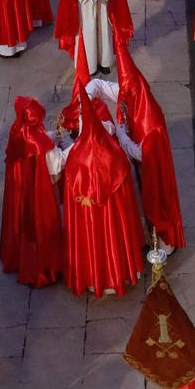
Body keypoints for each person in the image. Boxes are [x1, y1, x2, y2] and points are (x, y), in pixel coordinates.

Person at [61, 83, 144, 298]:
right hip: (112, 211)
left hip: (88, 216)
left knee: (91, 240)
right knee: (114, 235)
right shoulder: (115, 154)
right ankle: (120, 271)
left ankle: (91, 277)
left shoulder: (75, 157)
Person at [113, 26, 185, 250]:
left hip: (154, 173)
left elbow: (142, 153)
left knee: (157, 204)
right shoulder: (140, 103)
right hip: (148, 169)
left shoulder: (150, 122)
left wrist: (122, 136)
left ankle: (164, 242)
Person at [0, 97, 65, 287]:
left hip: (20, 186)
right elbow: (56, 164)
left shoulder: (18, 130)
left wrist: (50, 137)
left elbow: (40, 139)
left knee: (20, 220)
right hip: (38, 190)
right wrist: (72, 147)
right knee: (40, 225)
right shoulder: (39, 142)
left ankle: (19, 259)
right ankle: (44, 269)